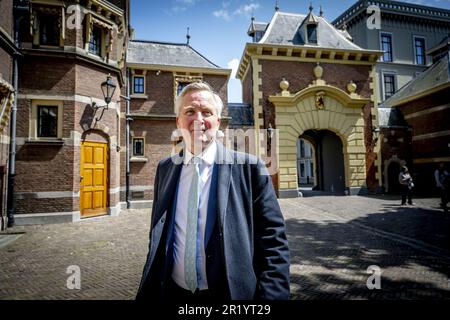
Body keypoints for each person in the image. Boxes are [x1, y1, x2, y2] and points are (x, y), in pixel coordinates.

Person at [135, 82, 290, 302]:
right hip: (172, 292)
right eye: (190, 112)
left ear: (218, 122)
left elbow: (273, 243)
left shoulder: (250, 168)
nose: (198, 120)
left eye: (206, 112)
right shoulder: (165, 169)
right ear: (178, 121)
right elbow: (158, 235)